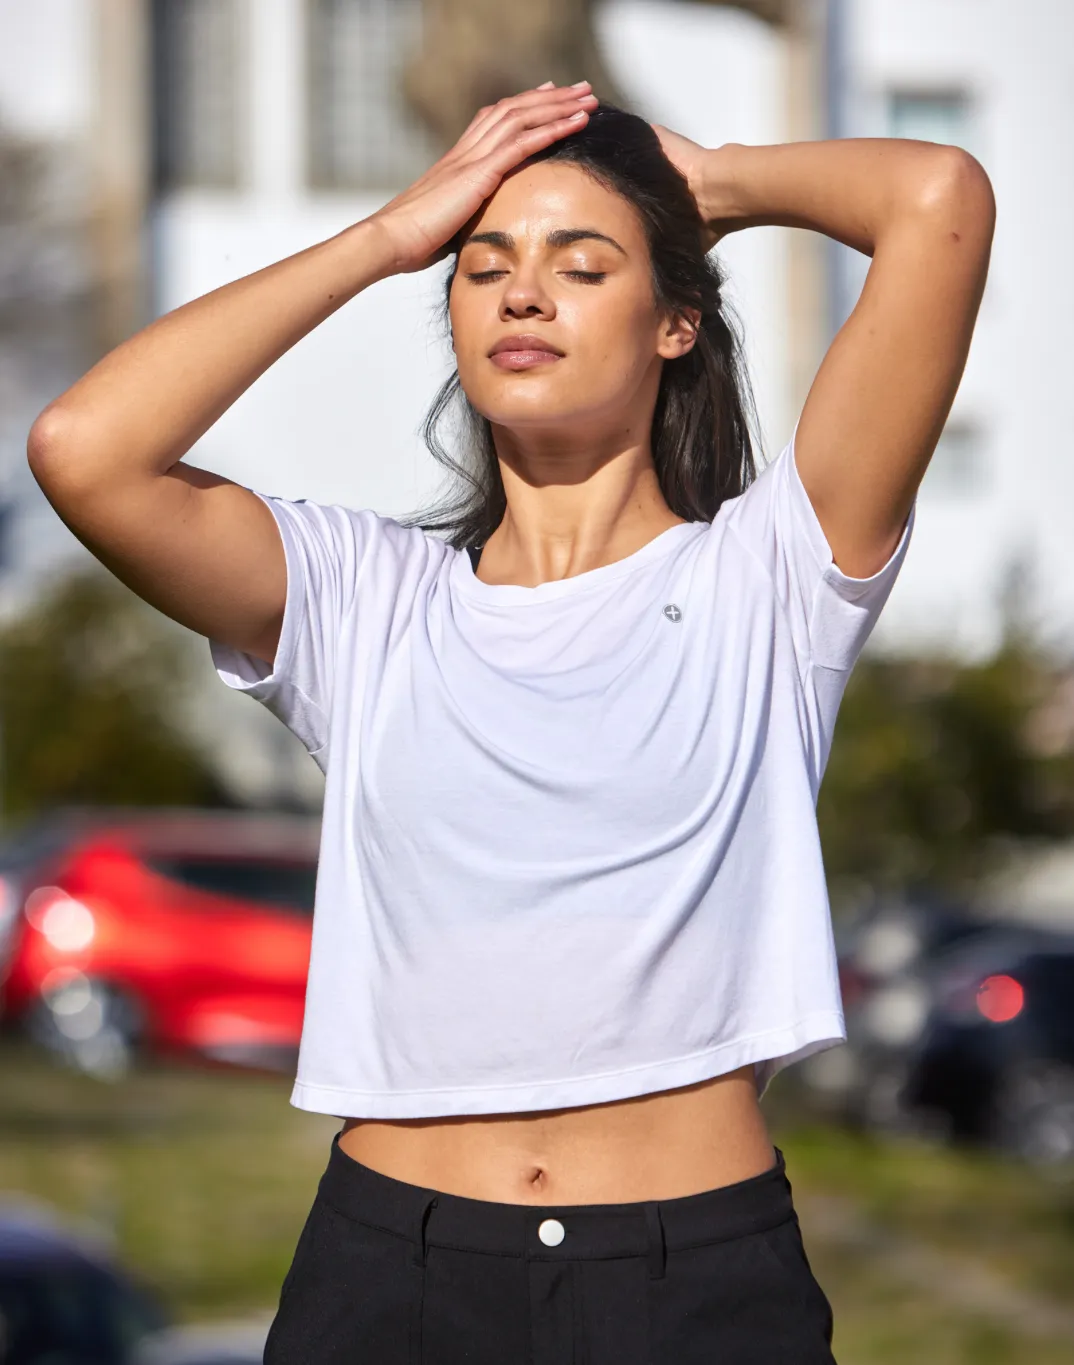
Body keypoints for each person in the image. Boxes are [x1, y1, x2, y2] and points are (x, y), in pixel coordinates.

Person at [28, 81, 993, 1364]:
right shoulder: (364, 601)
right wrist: (388, 234)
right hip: (395, 1273)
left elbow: (938, 201)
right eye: (484, 271)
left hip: (695, 1279)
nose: (523, 294)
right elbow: (85, 448)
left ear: (674, 324)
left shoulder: (770, 578)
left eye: (581, 267)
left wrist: (694, 181)